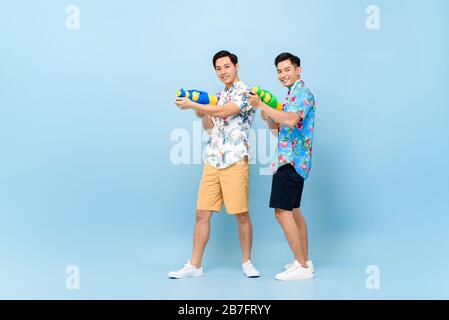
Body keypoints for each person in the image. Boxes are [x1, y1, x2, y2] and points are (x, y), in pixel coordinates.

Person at [169, 50, 260, 279]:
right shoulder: (218, 95)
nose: (223, 71)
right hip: (212, 160)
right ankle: (195, 265)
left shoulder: (246, 93)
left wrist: (192, 105)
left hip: (235, 160)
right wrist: (201, 113)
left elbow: (226, 111)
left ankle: (247, 262)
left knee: (240, 214)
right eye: (218, 68)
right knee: (201, 214)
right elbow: (211, 127)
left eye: (226, 66)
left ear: (236, 66)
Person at [248, 52, 316, 280]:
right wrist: (267, 115)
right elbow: (280, 129)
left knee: (282, 212)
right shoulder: (291, 96)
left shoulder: (302, 93)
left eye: (287, 69)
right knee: (295, 212)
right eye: (279, 70)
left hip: (291, 161)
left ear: (298, 70)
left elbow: (291, 120)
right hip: (291, 159)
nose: (283, 74)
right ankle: (305, 262)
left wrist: (264, 107)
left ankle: (302, 267)